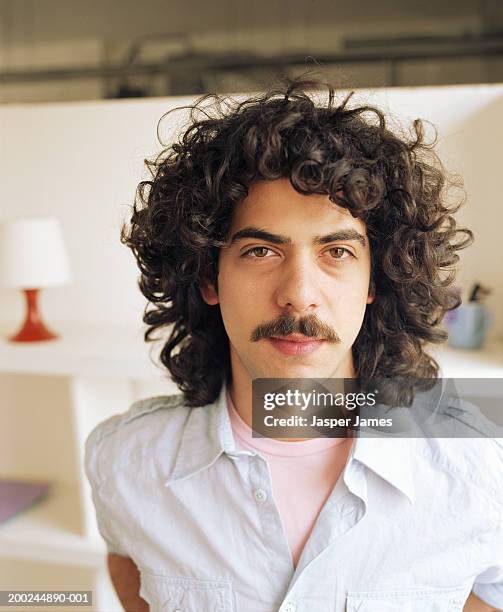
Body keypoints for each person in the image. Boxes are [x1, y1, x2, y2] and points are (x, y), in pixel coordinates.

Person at [84, 78, 503, 612]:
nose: (299, 296)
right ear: (209, 278)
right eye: (260, 251)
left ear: (376, 280)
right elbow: (130, 574)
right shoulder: (125, 460)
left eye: (337, 252)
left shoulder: (481, 464)